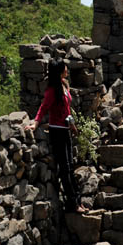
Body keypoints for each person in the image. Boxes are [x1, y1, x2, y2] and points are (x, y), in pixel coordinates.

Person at [25, 59, 87, 214]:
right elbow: (44, 107)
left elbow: (66, 109)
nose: (67, 68)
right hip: (57, 131)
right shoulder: (52, 90)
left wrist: (71, 123)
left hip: (65, 129)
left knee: (69, 167)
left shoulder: (64, 85)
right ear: (60, 70)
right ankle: (73, 204)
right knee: (65, 168)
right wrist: (36, 123)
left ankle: (78, 201)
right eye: (64, 67)